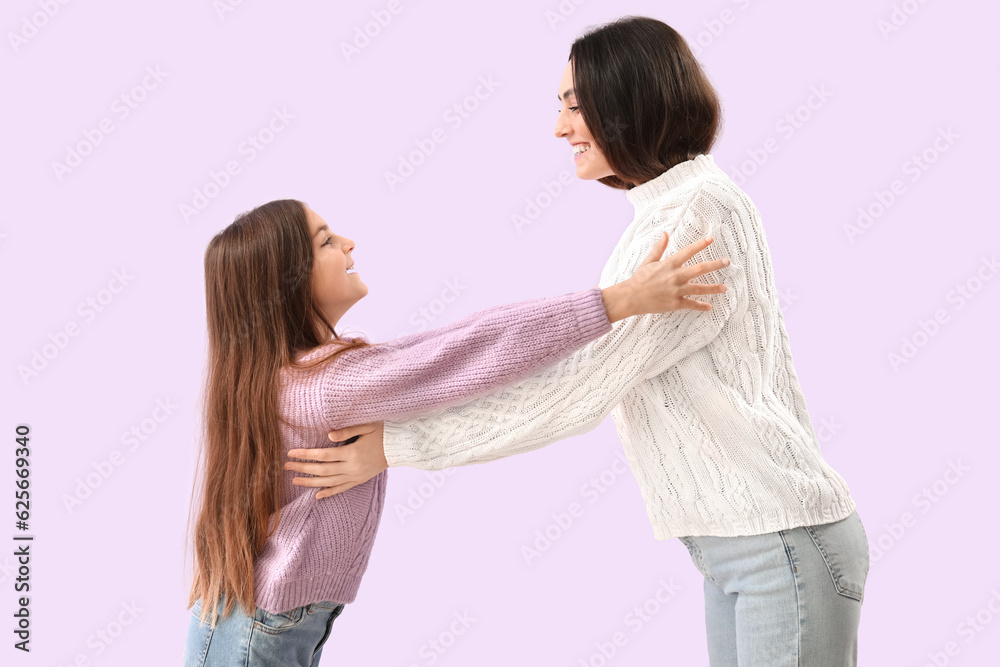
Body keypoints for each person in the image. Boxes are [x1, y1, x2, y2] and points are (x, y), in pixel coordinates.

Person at [291, 16, 870, 667]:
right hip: (746, 547)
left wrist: (397, 443)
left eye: (574, 105)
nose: (560, 128)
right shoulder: (668, 209)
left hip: (778, 544)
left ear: (630, 100)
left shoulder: (693, 215)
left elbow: (575, 388)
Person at [183, 197, 729, 666]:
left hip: (257, 615)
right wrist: (621, 300)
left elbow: (447, 347)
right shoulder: (325, 386)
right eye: (327, 241)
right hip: (260, 625)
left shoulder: (297, 373)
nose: (349, 243)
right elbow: (468, 352)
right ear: (290, 282)